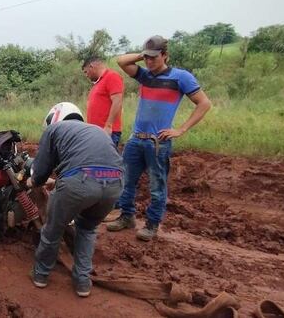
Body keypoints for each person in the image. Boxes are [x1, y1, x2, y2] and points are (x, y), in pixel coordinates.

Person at [107, 35, 212, 241]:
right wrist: (142, 53)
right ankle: (127, 216)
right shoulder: (144, 76)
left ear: (165, 55)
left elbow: (204, 104)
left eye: (154, 57)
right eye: (146, 58)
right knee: (126, 182)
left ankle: (152, 225)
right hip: (136, 139)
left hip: (158, 142)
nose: (148, 61)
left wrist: (181, 130)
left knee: (157, 186)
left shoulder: (181, 77)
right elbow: (121, 61)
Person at [26, 102, 124, 297]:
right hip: (115, 183)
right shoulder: (95, 130)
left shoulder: (54, 129)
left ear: (53, 118)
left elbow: (41, 171)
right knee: (87, 229)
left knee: (53, 229)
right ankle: (82, 283)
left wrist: (31, 181)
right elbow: (95, 162)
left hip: (80, 183)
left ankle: (41, 275)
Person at [82, 56, 124, 149]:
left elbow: (117, 101)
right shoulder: (98, 83)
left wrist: (108, 125)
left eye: (86, 72)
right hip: (96, 132)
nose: (86, 75)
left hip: (106, 132)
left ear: (91, 67)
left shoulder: (111, 76)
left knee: (106, 161)